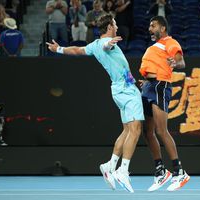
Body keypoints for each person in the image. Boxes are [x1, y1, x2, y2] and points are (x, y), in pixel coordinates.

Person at [46, 14, 144, 193]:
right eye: (114, 23)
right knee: (136, 129)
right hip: (127, 91)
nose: (116, 25)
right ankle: (123, 170)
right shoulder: (105, 44)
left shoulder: (93, 45)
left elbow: (76, 50)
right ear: (109, 27)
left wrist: (59, 49)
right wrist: (109, 43)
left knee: (127, 130)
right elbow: (106, 45)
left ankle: (110, 165)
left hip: (120, 89)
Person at [139, 16, 190, 192]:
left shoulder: (170, 41)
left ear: (163, 27)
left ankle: (179, 171)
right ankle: (160, 171)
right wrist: (145, 81)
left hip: (161, 85)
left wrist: (175, 62)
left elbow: (181, 62)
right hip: (148, 87)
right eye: (149, 26)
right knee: (147, 131)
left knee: (161, 130)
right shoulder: (153, 47)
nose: (149, 29)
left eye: (153, 26)